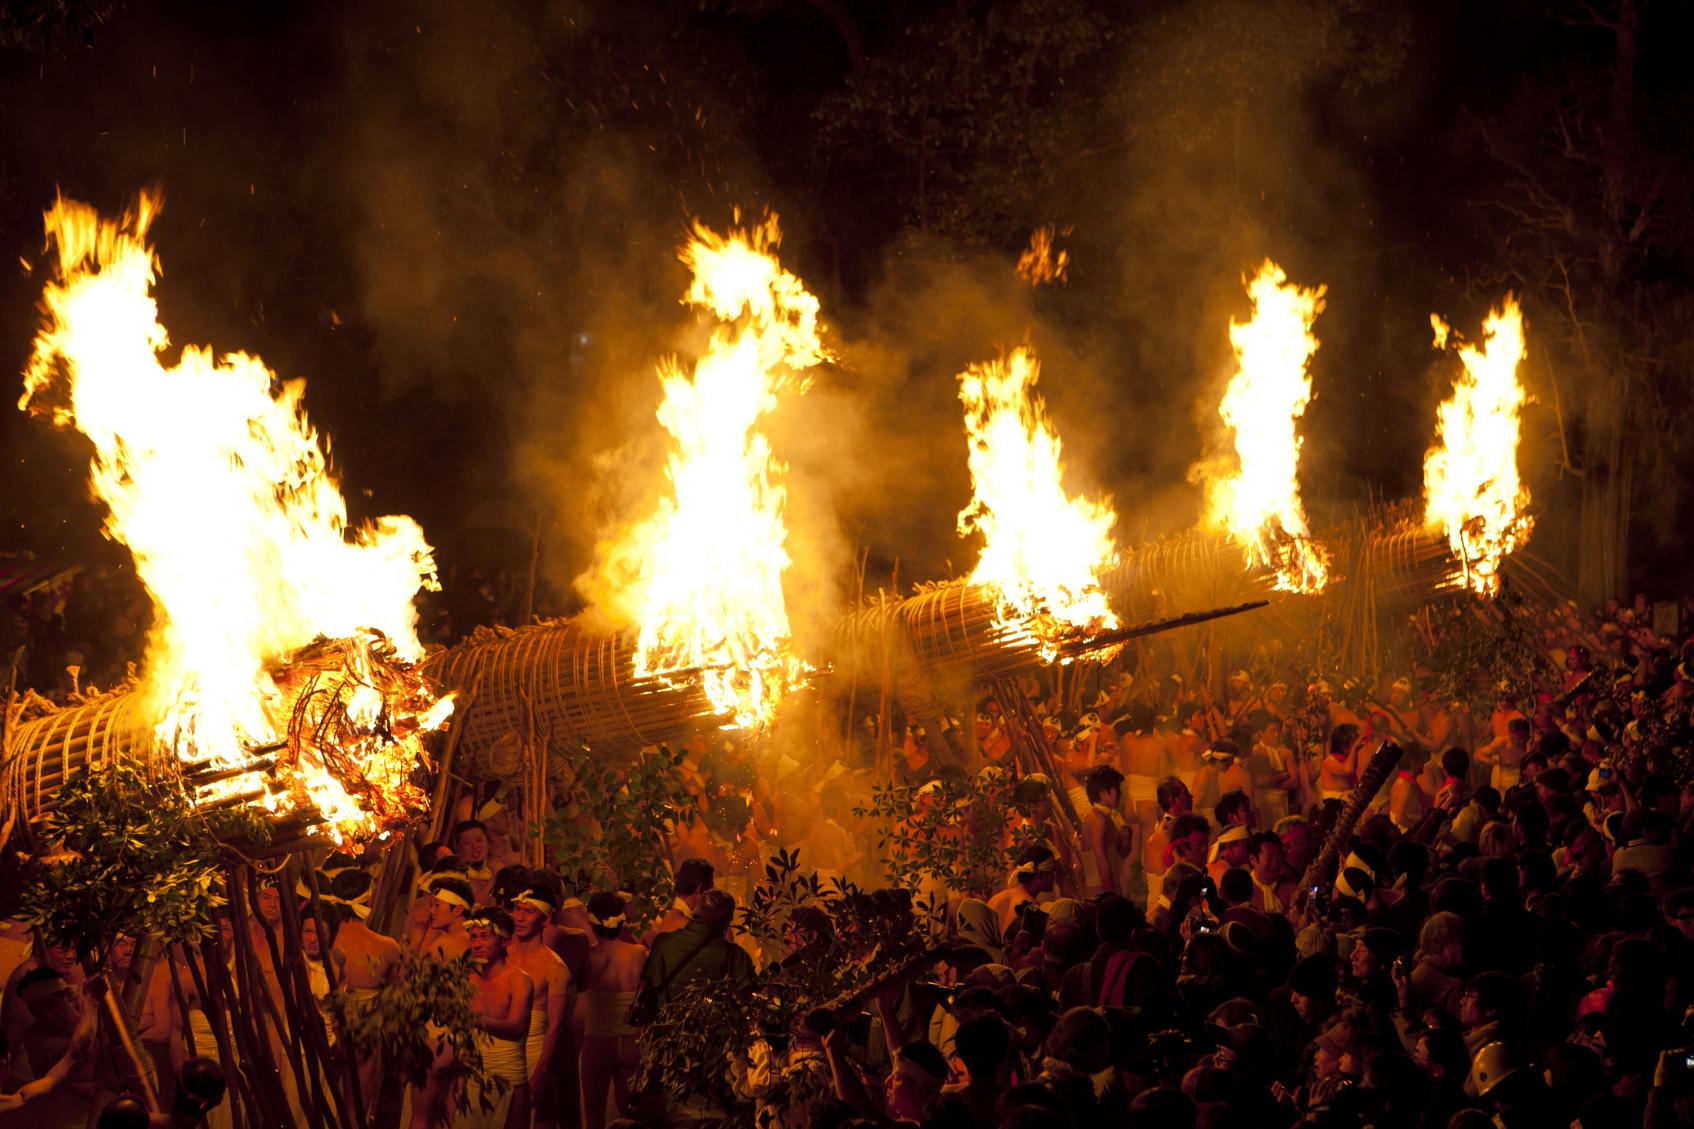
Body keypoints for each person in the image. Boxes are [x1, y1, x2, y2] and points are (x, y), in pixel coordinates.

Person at [504, 884, 573, 1129]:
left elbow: (556, 1026)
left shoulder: (554, 967)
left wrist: (541, 1072)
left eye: (529, 912)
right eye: (517, 909)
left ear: (546, 919)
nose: (520, 918)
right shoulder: (499, 953)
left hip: (529, 1052)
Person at [461, 907, 534, 1129]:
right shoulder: (465, 979)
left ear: (504, 941)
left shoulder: (519, 980)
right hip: (470, 1076)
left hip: (509, 1077)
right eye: (473, 937)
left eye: (485, 936)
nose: (477, 944)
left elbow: (516, 1028)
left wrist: (470, 1019)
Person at [578, 894, 646, 1129]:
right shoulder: (638, 953)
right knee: (631, 1116)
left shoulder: (589, 956)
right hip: (631, 1040)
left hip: (597, 1041)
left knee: (594, 1116)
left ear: (592, 922)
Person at [1079, 766, 1131, 898]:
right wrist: (1111, 896)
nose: (1120, 793)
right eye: (1116, 789)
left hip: (1110, 885)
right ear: (1102, 794)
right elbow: (1101, 860)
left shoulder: (1109, 817)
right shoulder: (1097, 819)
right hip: (1099, 891)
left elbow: (1121, 853)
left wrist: (1126, 837)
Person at [988, 846, 1058, 934]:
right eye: (1052, 872)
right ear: (1040, 875)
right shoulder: (1032, 911)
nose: (1054, 877)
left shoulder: (996, 899)